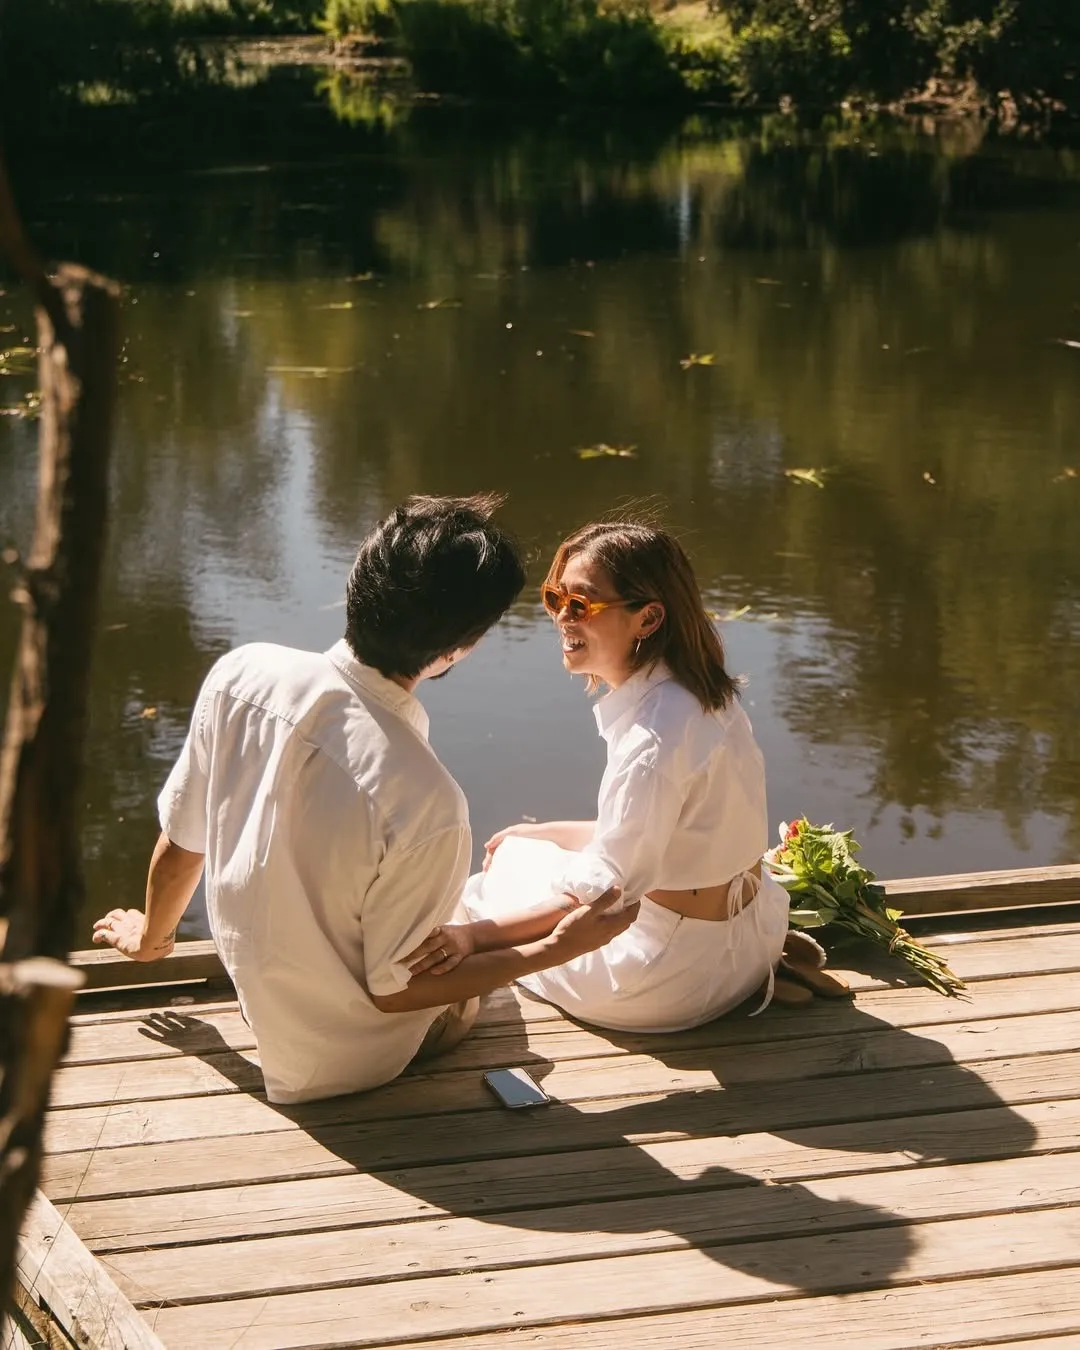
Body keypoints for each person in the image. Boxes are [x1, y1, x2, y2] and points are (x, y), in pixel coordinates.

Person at [92, 495, 637, 1104]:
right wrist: (552, 948)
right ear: (461, 646)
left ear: (360, 579)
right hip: (353, 1057)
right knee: (472, 951)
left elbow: (181, 842)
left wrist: (150, 941)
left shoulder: (240, 675)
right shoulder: (425, 797)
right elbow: (396, 991)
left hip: (265, 1018)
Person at [408, 519, 791, 1033]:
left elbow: (597, 896)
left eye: (581, 605)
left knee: (490, 882)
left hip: (669, 980)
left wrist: (472, 938)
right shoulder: (703, 697)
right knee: (525, 846)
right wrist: (541, 831)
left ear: (648, 618)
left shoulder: (650, 739)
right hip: (751, 944)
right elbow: (662, 834)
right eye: (554, 598)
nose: (562, 618)